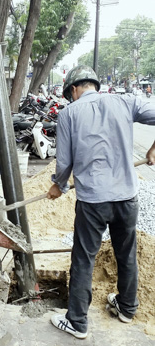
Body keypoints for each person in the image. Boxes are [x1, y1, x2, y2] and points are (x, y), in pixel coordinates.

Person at [46, 65, 155, 339]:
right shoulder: (124, 101)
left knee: (83, 259)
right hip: (127, 198)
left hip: (93, 201)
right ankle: (127, 308)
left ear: (73, 89)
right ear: (94, 84)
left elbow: (64, 162)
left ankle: (77, 322)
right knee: (126, 254)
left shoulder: (69, 113)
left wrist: (58, 186)